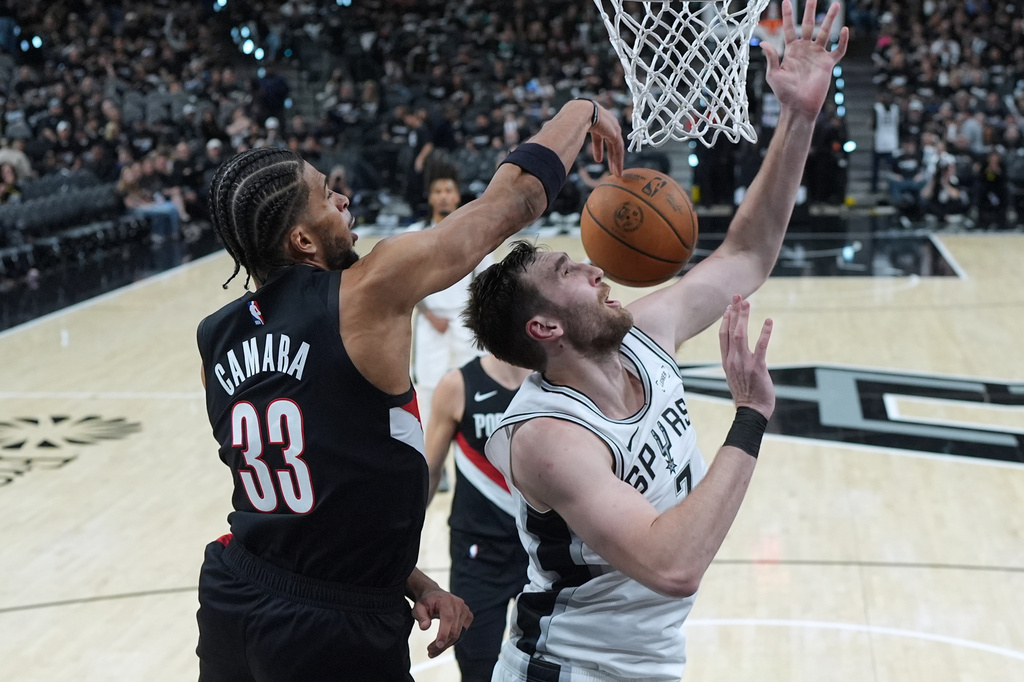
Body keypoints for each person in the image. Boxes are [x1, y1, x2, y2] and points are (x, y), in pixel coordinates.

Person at [462, 1, 846, 679]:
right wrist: (751, 417)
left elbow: (748, 255)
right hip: (571, 670)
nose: (594, 265)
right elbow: (674, 566)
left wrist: (798, 118)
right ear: (546, 329)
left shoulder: (640, 336)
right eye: (568, 271)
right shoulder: (549, 437)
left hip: (644, 663)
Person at [194, 92, 625, 681]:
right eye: (326, 195)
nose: (343, 199)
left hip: (236, 598)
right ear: (302, 241)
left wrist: (409, 578)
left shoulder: (214, 338)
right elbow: (513, 201)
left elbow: (319, 495)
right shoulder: (366, 289)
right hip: (333, 624)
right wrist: (582, 111)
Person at [423, 354, 531, 681]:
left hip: (542, 552)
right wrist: (399, 538)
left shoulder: (553, 380)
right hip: (478, 554)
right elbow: (429, 472)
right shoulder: (458, 385)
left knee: (545, 668)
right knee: (477, 668)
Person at [408, 161, 491, 430]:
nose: (443, 195)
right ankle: (435, 469)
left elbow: (486, 282)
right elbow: (407, 282)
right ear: (430, 197)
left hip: (465, 323)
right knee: (429, 396)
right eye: (438, 191)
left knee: (469, 392)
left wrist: (476, 319)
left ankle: (466, 458)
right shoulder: (414, 235)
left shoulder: (475, 235)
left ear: (457, 196)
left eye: (448, 190)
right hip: (431, 325)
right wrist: (429, 314)